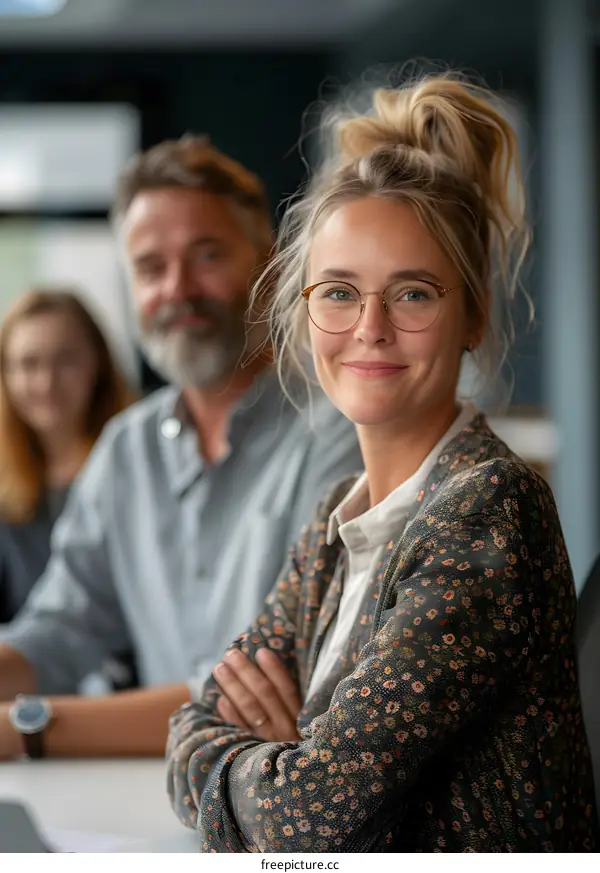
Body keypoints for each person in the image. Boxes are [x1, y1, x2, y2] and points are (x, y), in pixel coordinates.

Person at [167, 74, 599, 851]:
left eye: (413, 295)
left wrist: (289, 758)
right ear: (302, 315)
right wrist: (288, 759)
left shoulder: (487, 509)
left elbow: (312, 818)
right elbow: (196, 716)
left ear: (472, 315)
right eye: (337, 292)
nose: (369, 328)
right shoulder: (338, 518)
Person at [0, 136, 362, 759]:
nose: (177, 288)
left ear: (271, 265)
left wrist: (31, 728)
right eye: (149, 267)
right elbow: (60, 629)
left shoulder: (341, 432)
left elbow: (276, 684)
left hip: (285, 820)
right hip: (151, 799)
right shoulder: (126, 450)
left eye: (206, 255)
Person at [0, 289, 134, 625]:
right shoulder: (5, 491)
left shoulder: (135, 467)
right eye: (29, 364)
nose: (47, 382)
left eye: (66, 360)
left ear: (97, 362)